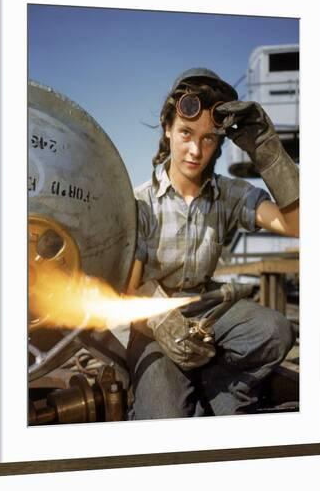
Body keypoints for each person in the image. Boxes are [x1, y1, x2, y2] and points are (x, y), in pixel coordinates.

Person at [126, 68, 299, 419]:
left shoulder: (229, 195)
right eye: (186, 133)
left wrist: (265, 148)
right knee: (163, 416)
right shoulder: (140, 202)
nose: (195, 150)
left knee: (274, 331)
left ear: (219, 143)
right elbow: (130, 290)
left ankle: (220, 395)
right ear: (168, 130)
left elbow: (299, 224)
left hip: (206, 312)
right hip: (151, 321)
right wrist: (162, 322)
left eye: (208, 139)